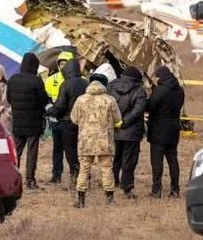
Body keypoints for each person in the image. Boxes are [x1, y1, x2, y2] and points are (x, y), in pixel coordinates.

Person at [70, 73, 122, 208]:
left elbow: (74, 119)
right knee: (106, 169)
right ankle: (109, 201)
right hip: (105, 141)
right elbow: (117, 119)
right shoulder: (110, 100)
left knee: (84, 169)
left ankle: (81, 201)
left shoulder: (81, 100)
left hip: (85, 141)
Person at [6, 53, 50, 190]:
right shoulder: (36, 81)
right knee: (32, 152)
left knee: (16, 152)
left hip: (18, 122)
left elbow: (8, 99)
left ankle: (13, 180)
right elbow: (43, 101)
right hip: (33, 122)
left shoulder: (13, 79)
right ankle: (30, 181)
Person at [146, 65, 185, 198]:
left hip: (158, 130)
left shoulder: (160, 90)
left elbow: (150, 107)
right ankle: (175, 189)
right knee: (173, 160)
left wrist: (151, 93)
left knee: (157, 163)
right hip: (173, 130)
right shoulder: (180, 90)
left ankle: (156, 190)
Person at [50, 57, 87, 189]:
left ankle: (75, 174)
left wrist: (51, 112)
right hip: (83, 123)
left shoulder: (65, 84)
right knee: (82, 150)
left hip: (67, 122)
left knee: (70, 150)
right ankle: (84, 175)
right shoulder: (85, 83)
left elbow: (60, 105)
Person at [110, 66, 147, 198]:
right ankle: (127, 187)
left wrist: (116, 121)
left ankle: (111, 182)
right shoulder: (139, 90)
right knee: (129, 161)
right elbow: (138, 110)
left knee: (115, 158)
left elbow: (109, 105)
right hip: (132, 133)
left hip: (114, 130)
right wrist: (124, 122)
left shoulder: (112, 87)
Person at [44, 52, 70, 184]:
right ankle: (56, 174)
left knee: (73, 149)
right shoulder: (51, 79)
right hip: (56, 119)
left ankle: (76, 173)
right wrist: (51, 111)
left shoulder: (78, 79)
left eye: (66, 63)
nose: (63, 66)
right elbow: (47, 97)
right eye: (61, 63)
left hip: (70, 119)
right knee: (57, 148)